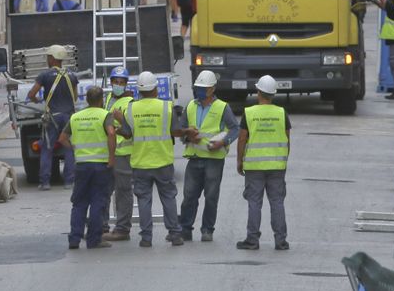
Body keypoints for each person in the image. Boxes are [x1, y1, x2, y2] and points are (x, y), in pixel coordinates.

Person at [108, 70, 187, 247]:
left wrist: (120, 123)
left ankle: (146, 237)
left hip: (140, 162)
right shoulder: (166, 107)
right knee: (168, 197)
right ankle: (175, 234)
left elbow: (127, 134)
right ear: (156, 89)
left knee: (144, 199)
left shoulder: (130, 108)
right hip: (163, 161)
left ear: (139, 90)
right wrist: (187, 131)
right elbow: (175, 131)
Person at [179, 69, 238, 242]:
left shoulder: (222, 107)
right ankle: (185, 229)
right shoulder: (190, 106)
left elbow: (235, 128)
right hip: (194, 157)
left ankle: (207, 230)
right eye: (198, 87)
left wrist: (223, 142)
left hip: (214, 160)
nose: (200, 91)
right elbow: (181, 130)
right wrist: (187, 136)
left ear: (212, 89)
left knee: (211, 197)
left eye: (203, 88)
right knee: (189, 196)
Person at [56, 86, 116, 250]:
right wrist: (111, 157)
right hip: (101, 165)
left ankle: (74, 239)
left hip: (82, 165)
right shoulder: (105, 115)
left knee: (79, 203)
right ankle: (94, 240)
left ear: (87, 100)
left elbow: (62, 138)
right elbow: (111, 133)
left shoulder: (76, 117)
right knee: (98, 202)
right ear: (101, 100)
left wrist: (75, 149)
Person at [236, 74, 289, 251]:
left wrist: (239, 160)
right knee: (277, 202)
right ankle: (280, 241)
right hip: (276, 166)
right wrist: (283, 160)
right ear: (273, 94)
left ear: (258, 92)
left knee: (254, 203)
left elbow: (242, 139)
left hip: (254, 167)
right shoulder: (281, 113)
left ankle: (252, 240)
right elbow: (287, 139)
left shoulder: (249, 113)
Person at [27, 45, 78, 190]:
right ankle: (69, 181)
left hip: (53, 117)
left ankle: (45, 182)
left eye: (48, 57)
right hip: (68, 117)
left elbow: (31, 94)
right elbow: (74, 97)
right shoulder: (72, 76)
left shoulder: (44, 76)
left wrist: (37, 100)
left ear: (52, 58)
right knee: (69, 148)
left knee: (47, 149)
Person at [101, 66, 137, 241]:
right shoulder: (109, 98)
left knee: (123, 191)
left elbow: (130, 131)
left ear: (126, 84)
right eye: (116, 82)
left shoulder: (129, 103)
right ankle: (103, 226)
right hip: (110, 151)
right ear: (111, 82)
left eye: (121, 82)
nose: (118, 85)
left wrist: (120, 122)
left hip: (123, 153)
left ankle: (123, 229)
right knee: (106, 190)